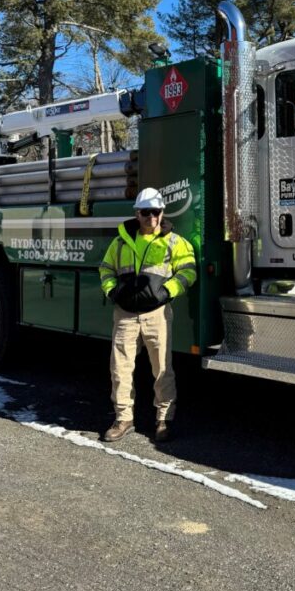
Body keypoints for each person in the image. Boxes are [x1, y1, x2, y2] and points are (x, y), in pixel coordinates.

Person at [98, 187, 197, 443]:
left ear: (162, 212)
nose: (151, 217)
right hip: (125, 314)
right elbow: (106, 269)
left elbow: (188, 271)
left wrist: (167, 291)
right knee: (120, 369)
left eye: (156, 212)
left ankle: (164, 420)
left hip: (157, 314)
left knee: (163, 369)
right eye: (146, 212)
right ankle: (123, 419)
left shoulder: (175, 242)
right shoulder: (120, 242)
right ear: (137, 213)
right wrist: (113, 291)